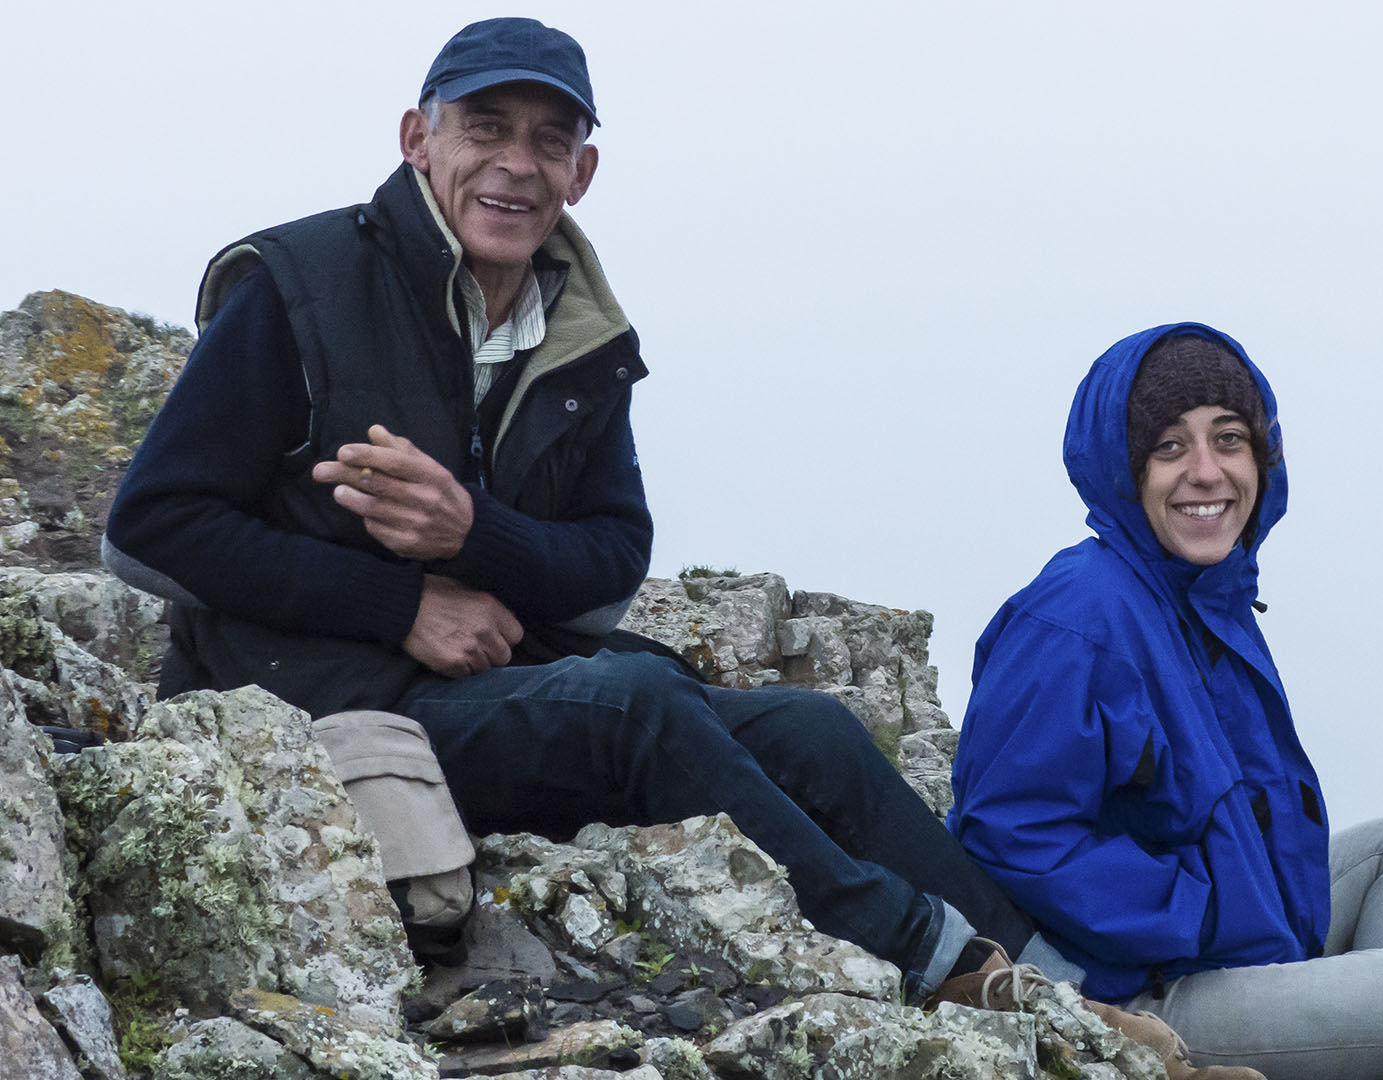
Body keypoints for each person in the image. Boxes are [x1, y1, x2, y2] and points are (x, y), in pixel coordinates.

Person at [102, 15, 1075, 1015]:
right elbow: (149, 527)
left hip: (491, 693)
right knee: (635, 709)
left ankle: (1078, 993)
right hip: (322, 708)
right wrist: (399, 605)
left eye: (549, 140)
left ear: (585, 169)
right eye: (486, 128)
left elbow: (612, 562)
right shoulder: (300, 289)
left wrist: (471, 533)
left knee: (814, 728)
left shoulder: (580, 337)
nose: (516, 165)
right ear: (416, 138)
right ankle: (943, 965)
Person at [947, 324, 1383, 1080]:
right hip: (1146, 988)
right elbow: (1004, 833)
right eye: (1170, 447)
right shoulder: (1078, 618)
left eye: (1229, 440)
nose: (1206, 471)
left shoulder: (1204, 596)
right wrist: (1197, 911)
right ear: (1125, 471)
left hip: (1240, 930)